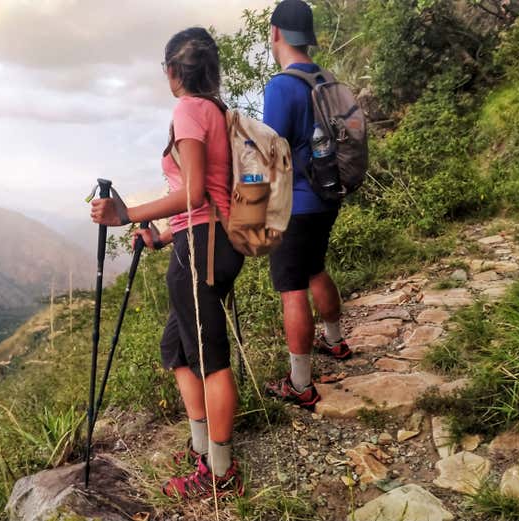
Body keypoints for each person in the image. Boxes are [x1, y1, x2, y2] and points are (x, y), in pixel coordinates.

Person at [90, 27, 244, 499]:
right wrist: (161, 236)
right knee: (178, 349)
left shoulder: (189, 110)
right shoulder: (215, 110)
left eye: (164, 69)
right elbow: (206, 193)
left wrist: (126, 214)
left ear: (174, 71)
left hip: (204, 245)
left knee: (211, 359)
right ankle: (203, 450)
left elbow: (195, 193)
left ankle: (220, 473)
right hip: (199, 240)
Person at [262, 0, 351, 410]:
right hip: (329, 195)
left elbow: (270, 151)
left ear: (275, 33)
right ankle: (334, 341)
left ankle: (300, 384)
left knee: (292, 287)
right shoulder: (324, 78)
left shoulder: (281, 86)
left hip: (296, 204)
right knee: (316, 268)